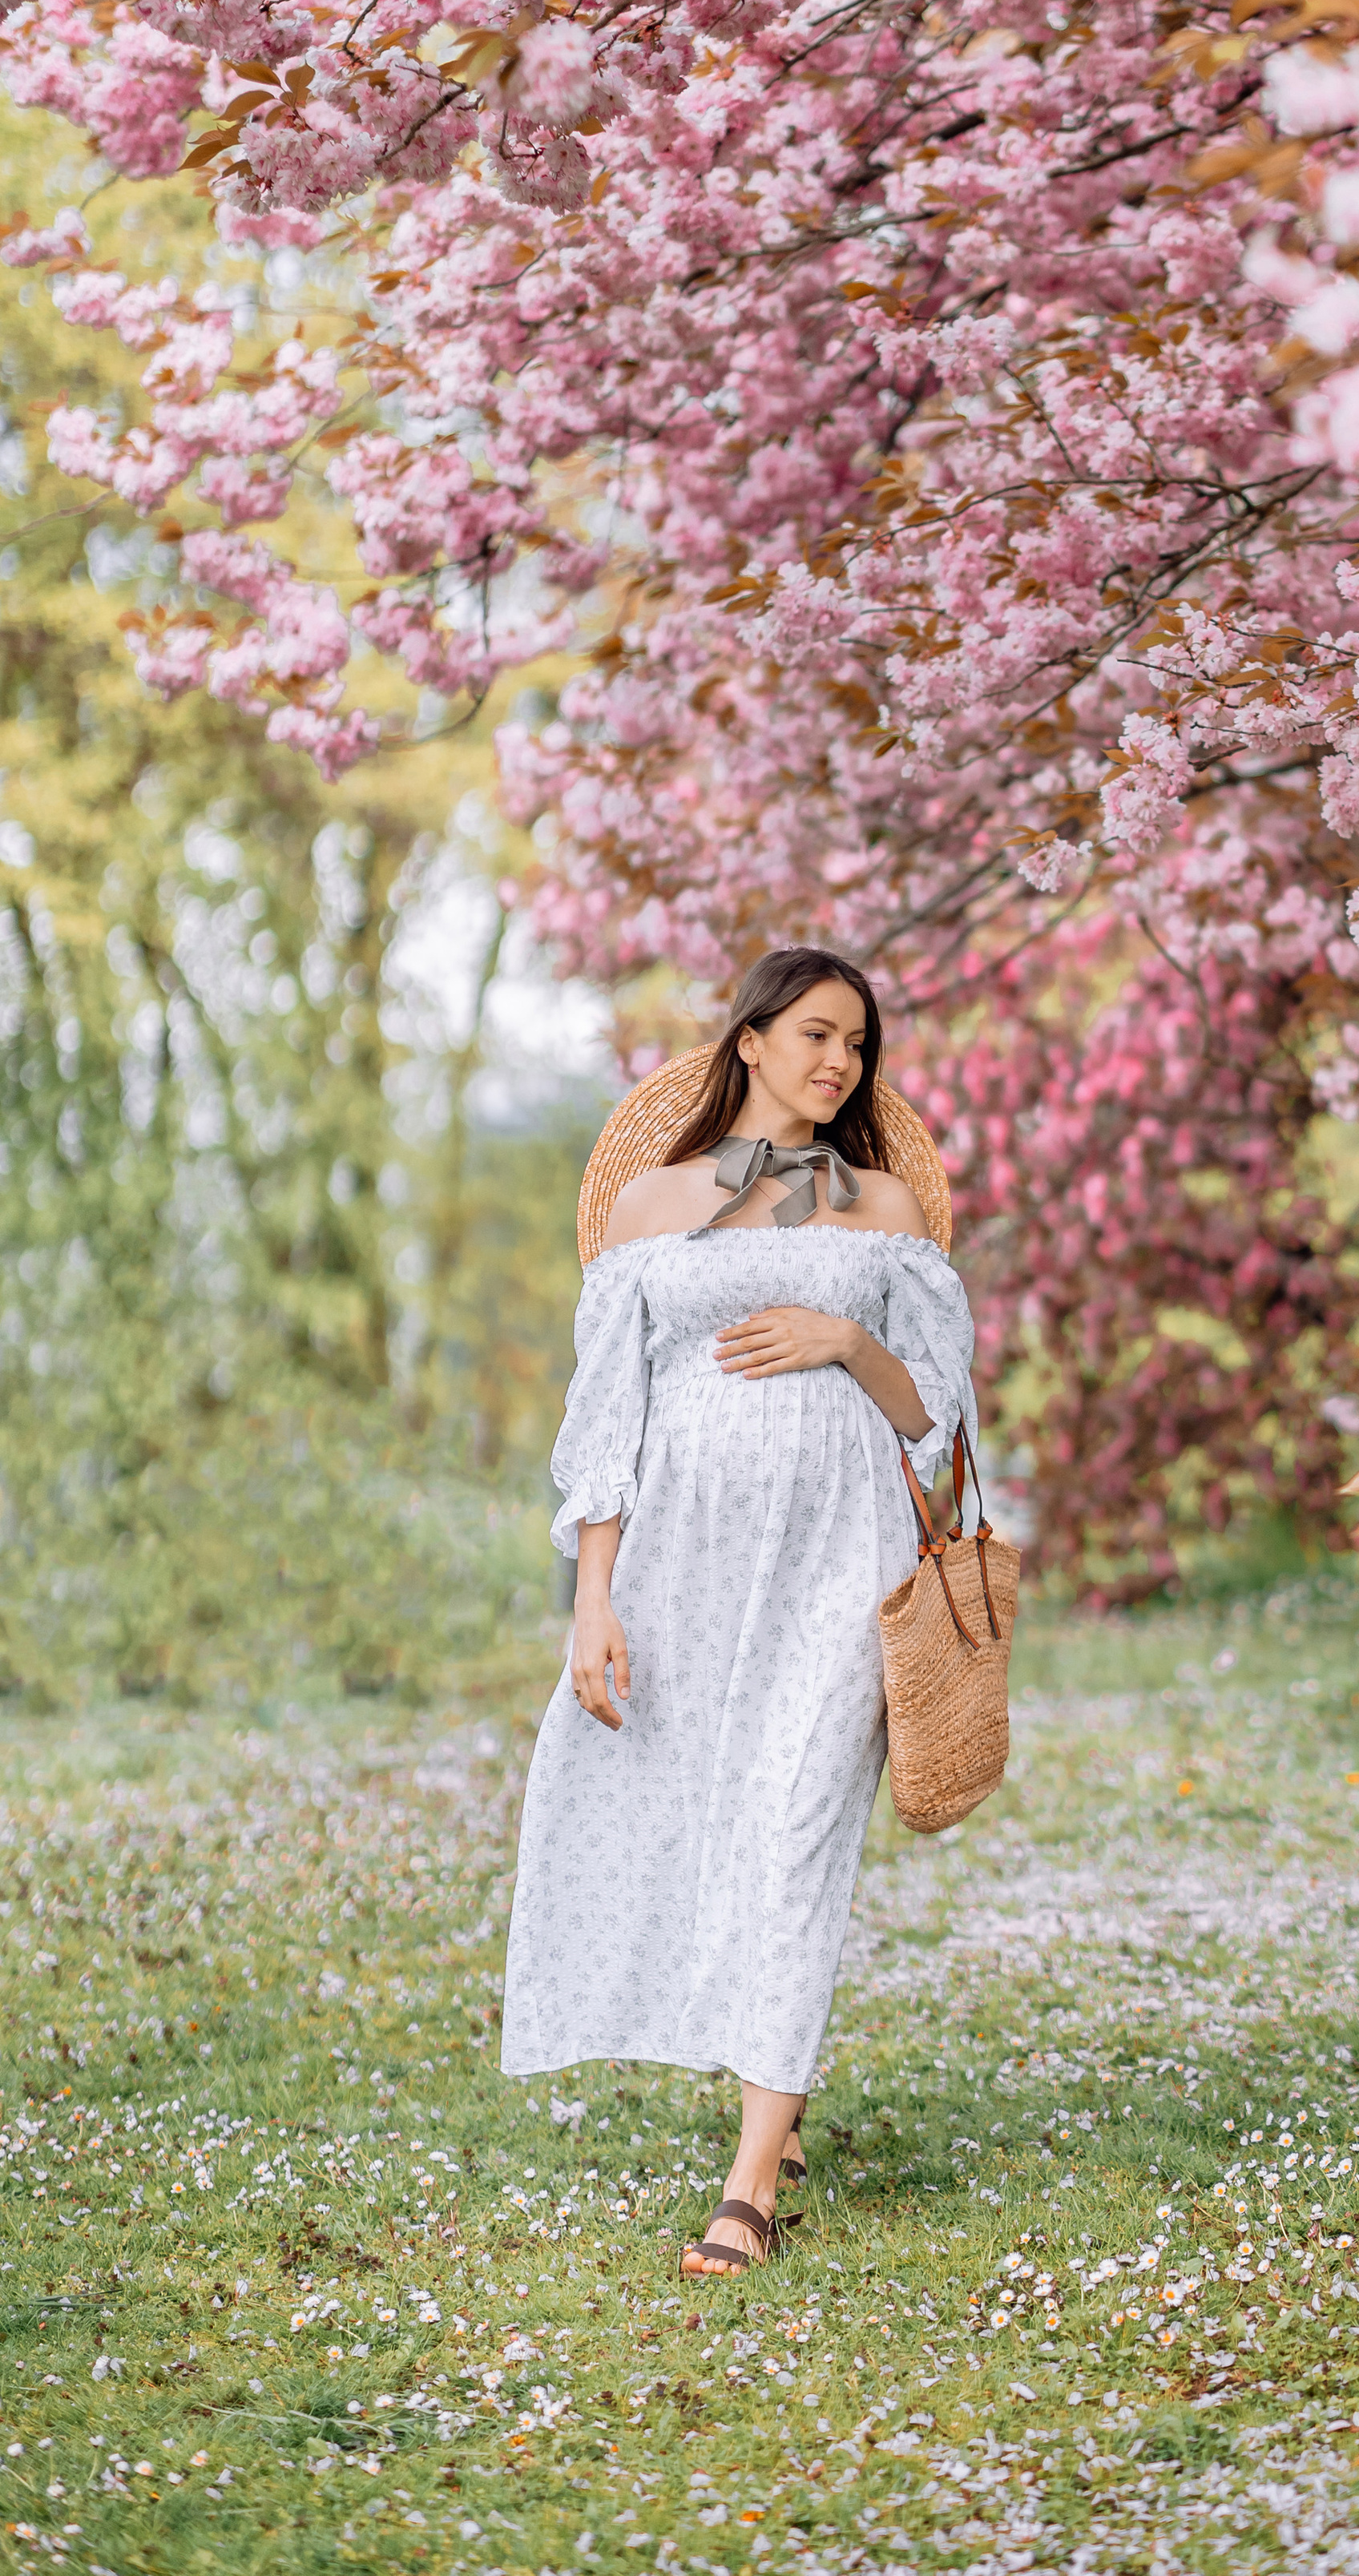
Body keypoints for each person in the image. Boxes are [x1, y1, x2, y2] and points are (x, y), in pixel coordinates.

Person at [498, 945, 977, 2273]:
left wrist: (849, 1343)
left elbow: (941, 1423)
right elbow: (607, 1419)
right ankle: (776, 2076)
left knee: (793, 1829)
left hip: (843, 1561)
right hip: (683, 1568)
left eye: (861, 1045)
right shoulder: (652, 1209)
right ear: (752, 1041)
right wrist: (592, 1600)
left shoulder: (882, 1213)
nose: (842, 1062)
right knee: (697, 1819)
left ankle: (752, 2180)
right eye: (818, 1034)